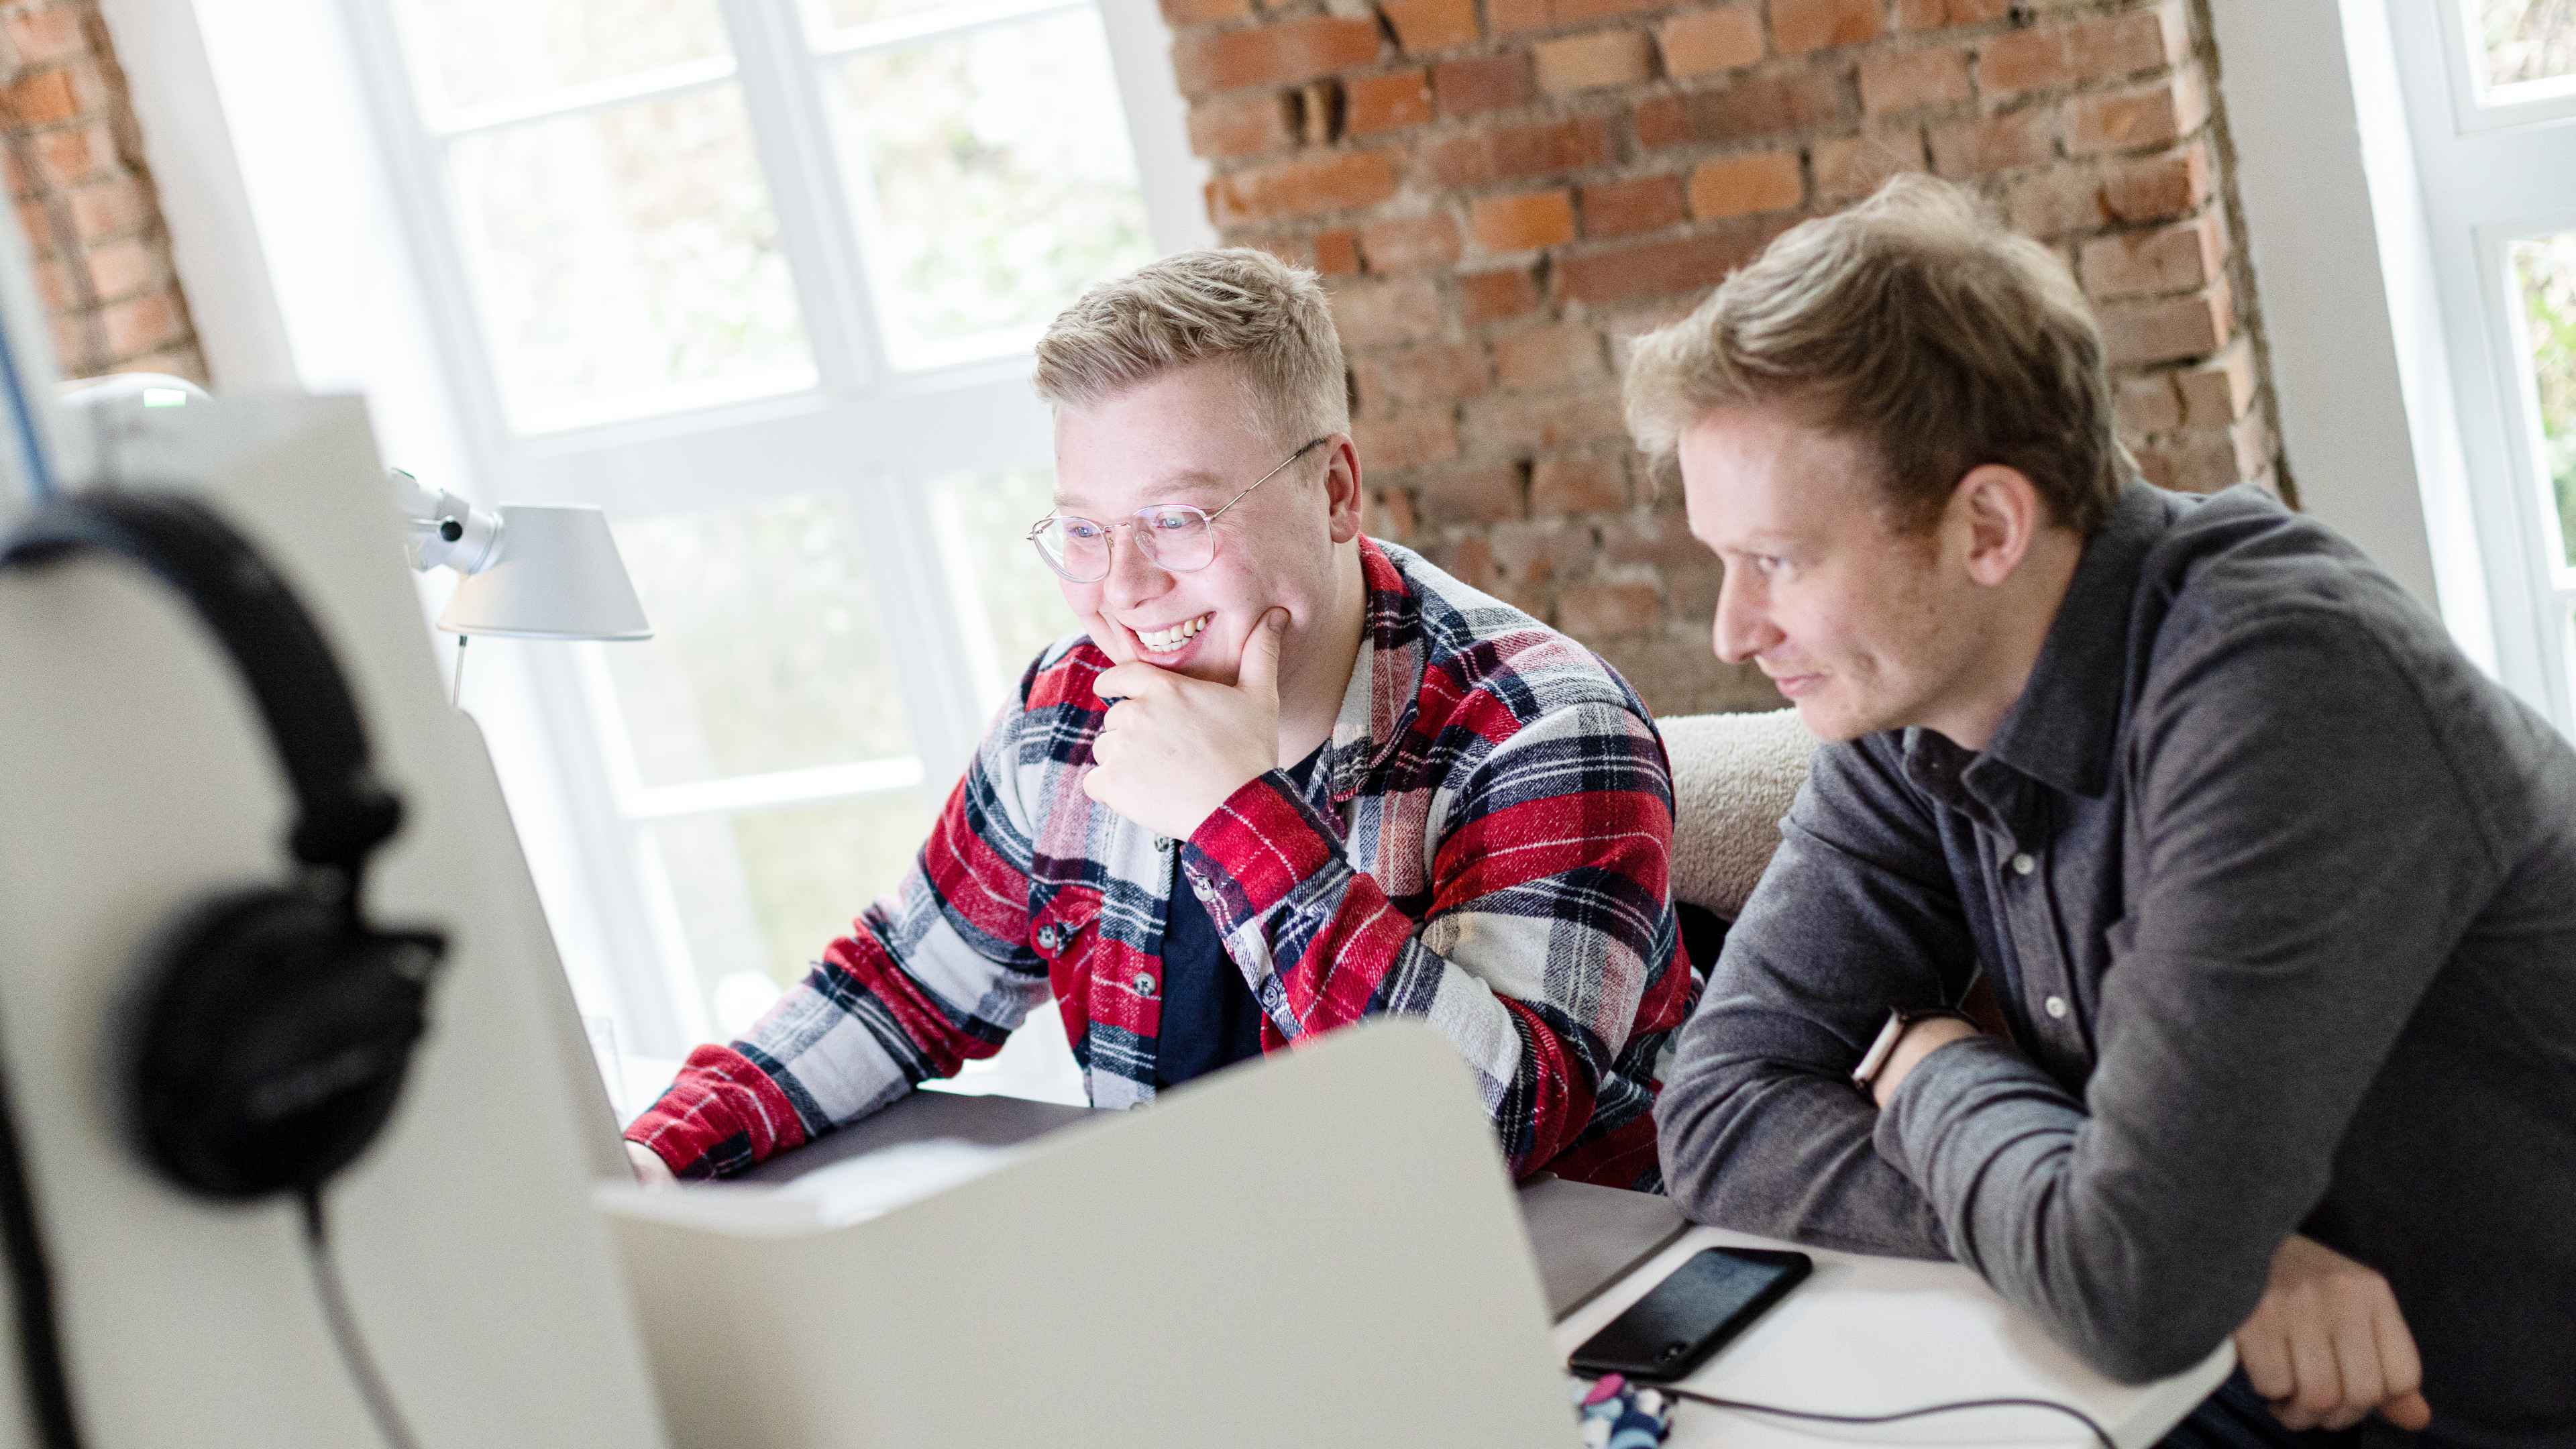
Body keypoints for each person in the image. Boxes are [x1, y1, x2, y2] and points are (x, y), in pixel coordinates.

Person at [1629, 176, 2576, 1446]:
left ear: (1986, 526)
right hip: (2220, 1380)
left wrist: (1933, 1070)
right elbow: (1720, 1104)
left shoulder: (2287, 692)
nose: (1733, 630)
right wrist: (2206, 1255)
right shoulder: (1916, 703)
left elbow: (2133, 1284)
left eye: (1780, 561)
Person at [625, 248, 1698, 1192]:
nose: (1125, 587)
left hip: (1544, 1308)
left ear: (1334, 493)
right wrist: (654, 1157)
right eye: (1084, 531)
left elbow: (1488, 1130)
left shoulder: (1541, 727)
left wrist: (1236, 813)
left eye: (1177, 519)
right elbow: (899, 985)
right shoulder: (1068, 712)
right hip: (1205, 1284)